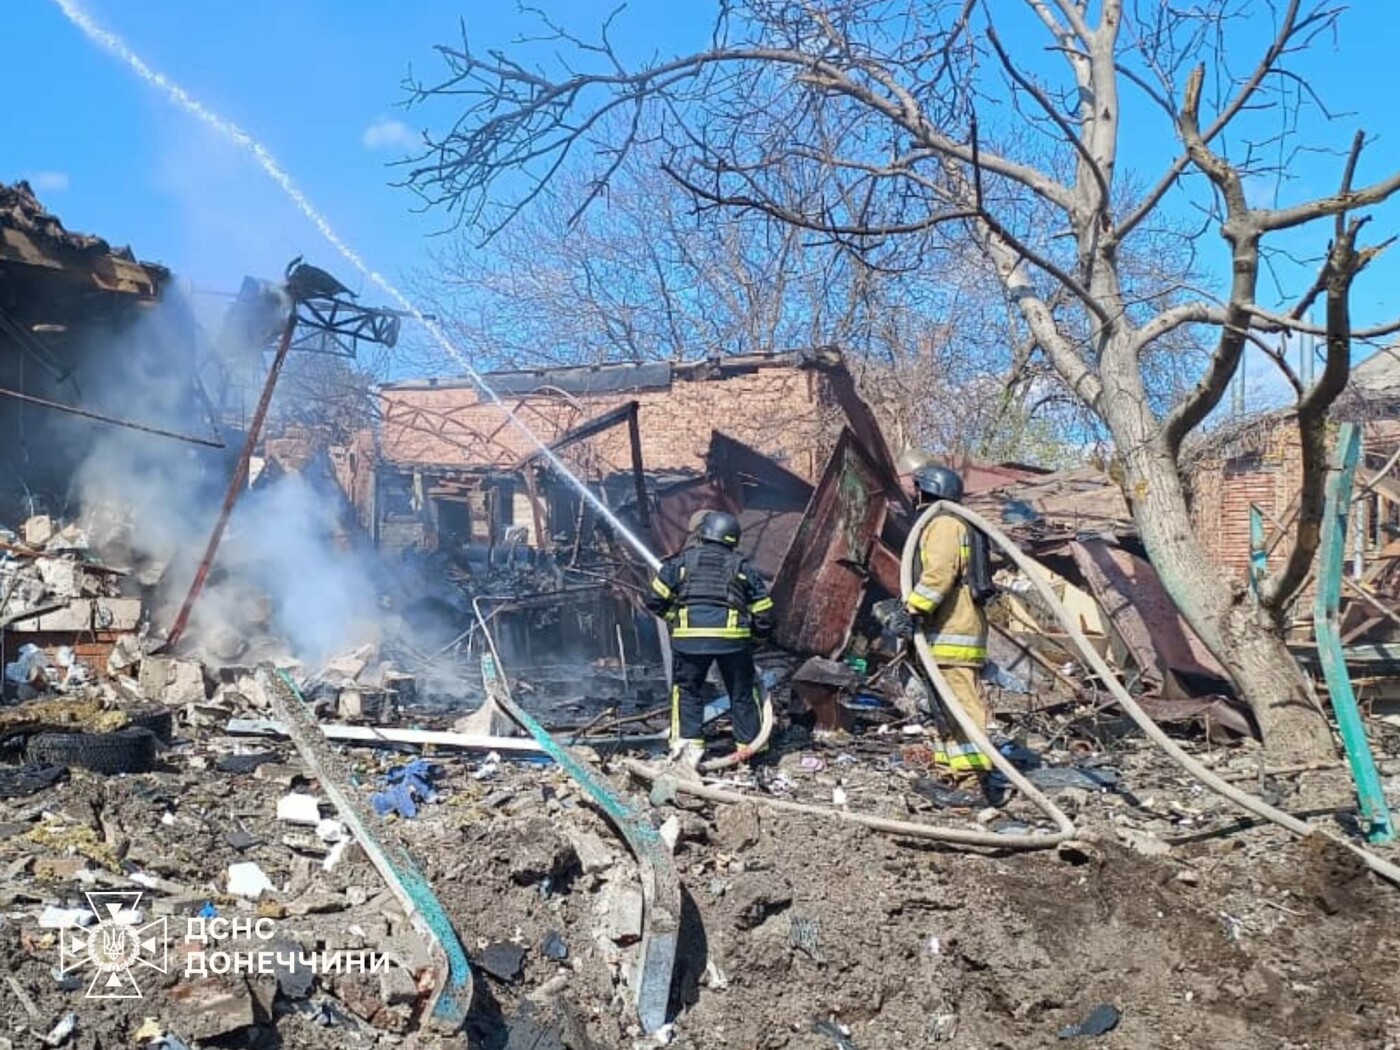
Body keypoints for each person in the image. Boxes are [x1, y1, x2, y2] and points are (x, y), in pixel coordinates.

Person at [889, 465, 994, 784]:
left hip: (953, 632)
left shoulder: (945, 524)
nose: (914, 495)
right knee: (945, 711)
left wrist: (912, 608)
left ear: (928, 490)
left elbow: (939, 574)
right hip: (943, 633)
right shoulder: (943, 522)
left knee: (961, 708)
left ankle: (973, 778)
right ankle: (952, 773)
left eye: (917, 488)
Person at [645, 510, 775, 769]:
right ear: (733, 539)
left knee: (688, 691)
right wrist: (757, 638)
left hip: (689, 641)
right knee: (742, 693)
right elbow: (764, 612)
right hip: (732, 642)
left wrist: (675, 618)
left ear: (703, 534)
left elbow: (654, 599)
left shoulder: (681, 564)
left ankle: (688, 748)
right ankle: (750, 752)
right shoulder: (741, 567)